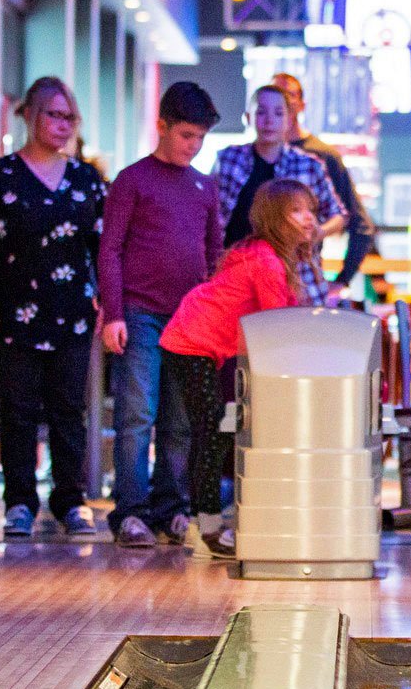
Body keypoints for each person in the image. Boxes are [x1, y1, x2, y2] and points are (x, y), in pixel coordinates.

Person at [0, 77, 105, 539]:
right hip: (13, 310)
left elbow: (103, 246)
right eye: (53, 115)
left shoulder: (85, 180)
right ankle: (20, 500)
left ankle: (70, 499)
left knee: (68, 409)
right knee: (18, 409)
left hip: (72, 310)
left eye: (69, 117)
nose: (62, 126)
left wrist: (108, 296)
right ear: (30, 116)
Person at [160, 179, 317, 558]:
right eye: (296, 210)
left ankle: (207, 523)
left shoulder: (271, 256)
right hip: (191, 342)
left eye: (310, 209)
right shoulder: (265, 260)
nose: (309, 218)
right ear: (273, 219)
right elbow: (274, 325)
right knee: (210, 430)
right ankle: (207, 529)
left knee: (210, 429)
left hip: (196, 342)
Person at [99, 81, 222, 549]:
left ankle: (173, 506)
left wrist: (211, 316)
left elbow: (213, 253)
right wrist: (114, 312)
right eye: (186, 135)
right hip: (140, 312)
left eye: (200, 139)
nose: (192, 146)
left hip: (188, 320)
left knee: (181, 419)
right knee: (137, 413)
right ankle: (130, 510)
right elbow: (110, 248)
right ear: (162, 126)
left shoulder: (203, 185)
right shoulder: (132, 181)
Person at [212, 85, 346, 305]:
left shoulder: (309, 165)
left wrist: (317, 232)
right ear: (248, 117)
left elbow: (338, 214)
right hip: (236, 276)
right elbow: (209, 212)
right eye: (261, 112)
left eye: (278, 113)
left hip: (296, 276)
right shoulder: (229, 159)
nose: (268, 120)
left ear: (290, 119)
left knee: (293, 334)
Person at [271, 72, 376, 300]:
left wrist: (341, 281)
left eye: (289, 96)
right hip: (260, 278)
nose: (284, 103)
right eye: (276, 96)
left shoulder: (320, 158)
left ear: (301, 104)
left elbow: (359, 224)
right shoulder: (251, 156)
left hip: (304, 281)